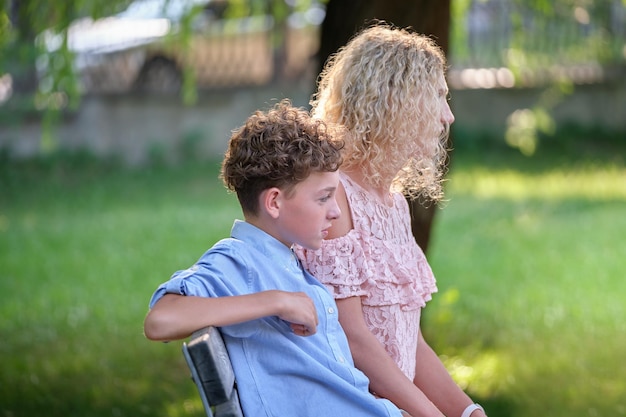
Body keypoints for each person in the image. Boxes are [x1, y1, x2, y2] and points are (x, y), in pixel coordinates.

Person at [143, 100, 409, 417]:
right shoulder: (241, 260)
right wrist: (276, 301)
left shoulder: (288, 264)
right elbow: (160, 320)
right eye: (324, 198)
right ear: (274, 203)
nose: (335, 211)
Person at [296, 24, 488, 417]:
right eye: (437, 98)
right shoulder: (336, 199)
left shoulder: (395, 204)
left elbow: (409, 342)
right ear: (398, 102)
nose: (448, 116)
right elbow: (354, 338)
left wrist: (467, 411)